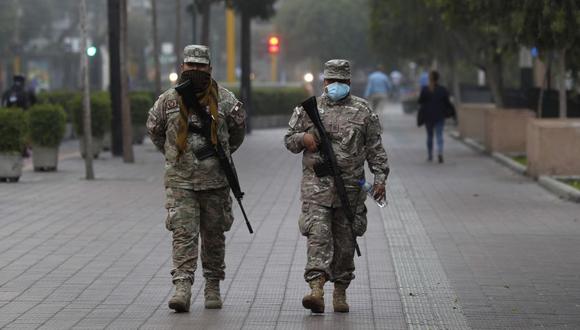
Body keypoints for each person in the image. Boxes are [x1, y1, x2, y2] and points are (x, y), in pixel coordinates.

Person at [146, 45, 246, 313]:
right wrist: (175, 155)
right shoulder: (168, 101)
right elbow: (155, 131)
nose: (195, 70)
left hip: (215, 183)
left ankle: (212, 285)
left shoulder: (225, 100)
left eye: (201, 66)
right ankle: (182, 287)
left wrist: (217, 155)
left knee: (214, 236)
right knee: (183, 235)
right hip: (181, 183)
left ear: (210, 69)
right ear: (182, 68)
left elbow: (236, 135)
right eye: (190, 65)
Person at [284, 59, 389, 313]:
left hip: (350, 191)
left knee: (344, 244)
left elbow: (376, 150)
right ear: (324, 82)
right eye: (332, 81)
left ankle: (340, 291)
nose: (336, 86)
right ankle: (316, 288)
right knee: (318, 238)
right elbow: (289, 140)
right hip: (316, 190)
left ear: (349, 83)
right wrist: (303, 138)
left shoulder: (363, 111)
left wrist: (380, 179)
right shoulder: (309, 109)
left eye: (341, 82)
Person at [417, 70, 455, 163]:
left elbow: (420, 101)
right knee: (439, 135)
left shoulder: (425, 89)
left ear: (429, 78)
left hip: (428, 116)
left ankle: (430, 155)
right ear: (438, 78)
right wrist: (452, 113)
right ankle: (440, 153)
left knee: (430, 136)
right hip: (439, 115)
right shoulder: (442, 89)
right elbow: (447, 102)